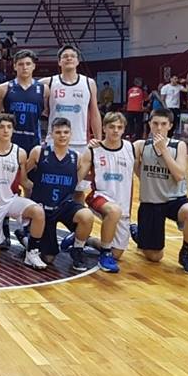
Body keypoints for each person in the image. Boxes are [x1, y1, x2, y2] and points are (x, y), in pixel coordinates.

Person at [133, 108, 188, 275]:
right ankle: (138, 233)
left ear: (170, 126)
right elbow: (135, 168)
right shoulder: (140, 146)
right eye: (155, 123)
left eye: (163, 124)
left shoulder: (178, 146)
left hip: (174, 200)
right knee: (155, 257)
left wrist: (163, 150)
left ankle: (186, 253)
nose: (159, 128)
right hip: (151, 202)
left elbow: (179, 175)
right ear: (149, 124)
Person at [25, 118, 95, 272]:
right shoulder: (39, 152)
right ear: (51, 134)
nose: (62, 135)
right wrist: (27, 184)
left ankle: (77, 249)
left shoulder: (76, 157)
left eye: (65, 132)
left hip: (64, 206)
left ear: (71, 134)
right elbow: (22, 172)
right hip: (43, 210)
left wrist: (93, 148)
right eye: (58, 132)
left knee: (87, 216)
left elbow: (77, 180)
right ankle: (25, 236)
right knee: (48, 258)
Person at [0, 114, 46, 261]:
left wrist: (43, 188)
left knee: (38, 212)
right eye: (1, 127)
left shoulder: (20, 153)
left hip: (10, 201)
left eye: (9, 127)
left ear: (13, 130)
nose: (6, 130)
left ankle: (32, 253)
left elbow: (24, 181)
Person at [76, 112, 129, 273]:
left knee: (117, 253)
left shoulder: (131, 148)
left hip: (122, 203)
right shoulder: (94, 150)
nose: (116, 130)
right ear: (104, 128)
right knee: (114, 211)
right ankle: (104, 254)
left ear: (124, 129)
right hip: (99, 196)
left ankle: (88, 240)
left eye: (119, 127)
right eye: (112, 127)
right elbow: (78, 177)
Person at [0, 49, 46, 153]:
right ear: (14, 66)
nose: (25, 67)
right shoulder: (3, 89)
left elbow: (46, 113)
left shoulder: (43, 89)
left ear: (34, 66)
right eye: (21, 64)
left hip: (34, 140)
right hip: (10, 140)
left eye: (28, 64)